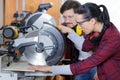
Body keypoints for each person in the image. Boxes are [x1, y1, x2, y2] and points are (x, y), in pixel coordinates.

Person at [28, 2, 120, 80]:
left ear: (92, 21)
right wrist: (70, 32)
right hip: (102, 72)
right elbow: (85, 46)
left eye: (80, 23)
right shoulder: (97, 30)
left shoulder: (111, 38)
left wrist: (50, 68)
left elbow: (87, 63)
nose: (79, 27)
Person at [59, 0, 97, 80]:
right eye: (64, 17)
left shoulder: (90, 25)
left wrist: (71, 32)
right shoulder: (67, 26)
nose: (66, 21)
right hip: (80, 64)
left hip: (96, 65)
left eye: (70, 17)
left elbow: (86, 48)